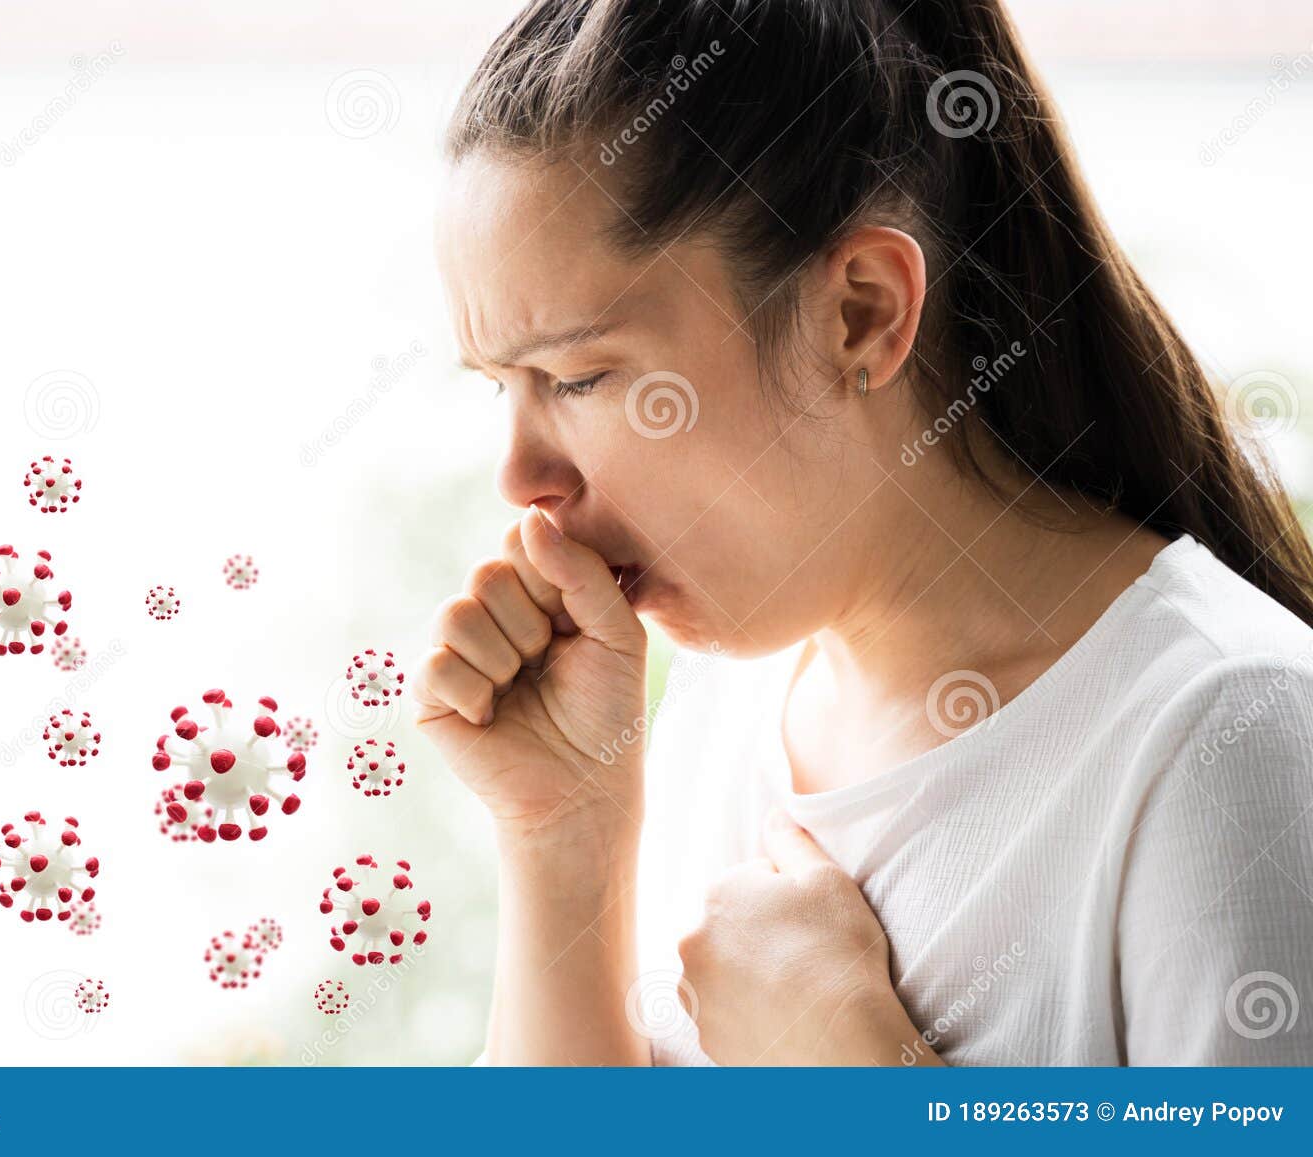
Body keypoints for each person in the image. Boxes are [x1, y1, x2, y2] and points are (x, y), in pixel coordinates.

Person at [415, 0, 1313, 1065]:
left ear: (863, 313)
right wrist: (558, 840)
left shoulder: (1228, 734)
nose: (522, 476)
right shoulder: (727, 714)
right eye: (501, 389)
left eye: (576, 376)